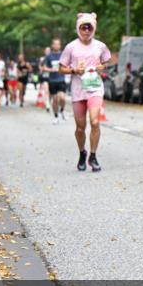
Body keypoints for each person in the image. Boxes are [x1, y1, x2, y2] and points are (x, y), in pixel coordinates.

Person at [58, 13, 111, 172]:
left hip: (95, 88)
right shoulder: (71, 47)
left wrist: (103, 66)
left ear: (93, 29)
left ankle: (93, 156)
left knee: (95, 122)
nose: (86, 31)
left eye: (89, 27)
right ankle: (82, 152)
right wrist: (73, 70)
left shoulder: (100, 46)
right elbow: (61, 68)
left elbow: (106, 62)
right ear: (78, 28)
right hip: (78, 89)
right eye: (83, 27)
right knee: (80, 127)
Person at [42, 39, 67, 124]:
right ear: (52, 46)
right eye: (55, 44)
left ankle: (62, 110)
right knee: (55, 100)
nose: (56, 46)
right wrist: (51, 69)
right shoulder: (49, 56)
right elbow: (44, 68)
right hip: (52, 80)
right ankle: (56, 116)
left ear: (60, 46)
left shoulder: (63, 55)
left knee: (63, 98)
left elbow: (68, 65)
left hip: (61, 80)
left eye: (58, 44)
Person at [39, 46, 52, 113]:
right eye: (46, 51)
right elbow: (40, 68)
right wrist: (42, 69)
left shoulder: (52, 58)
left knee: (50, 92)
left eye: (49, 51)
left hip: (52, 77)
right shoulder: (42, 59)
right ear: (44, 52)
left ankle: (49, 101)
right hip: (44, 77)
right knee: (46, 91)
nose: (48, 52)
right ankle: (47, 104)